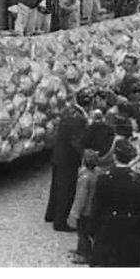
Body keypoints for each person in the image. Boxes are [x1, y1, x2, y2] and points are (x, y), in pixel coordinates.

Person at [90, 138, 140, 267]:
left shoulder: (104, 180)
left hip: (107, 231)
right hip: (131, 233)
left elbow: (97, 207)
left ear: (114, 156)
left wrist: (92, 228)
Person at [45, 91, 88, 232]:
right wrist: (85, 154)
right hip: (68, 159)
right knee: (66, 190)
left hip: (58, 154)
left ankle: (51, 214)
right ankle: (60, 222)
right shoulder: (80, 119)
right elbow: (76, 141)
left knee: (56, 186)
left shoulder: (67, 112)